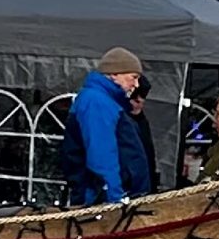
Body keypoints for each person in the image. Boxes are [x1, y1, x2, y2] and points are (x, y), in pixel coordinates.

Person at [64, 47, 155, 204]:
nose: (136, 84)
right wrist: (114, 198)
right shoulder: (98, 102)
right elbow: (102, 154)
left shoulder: (108, 102)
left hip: (112, 194)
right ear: (115, 74)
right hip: (103, 197)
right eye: (133, 77)